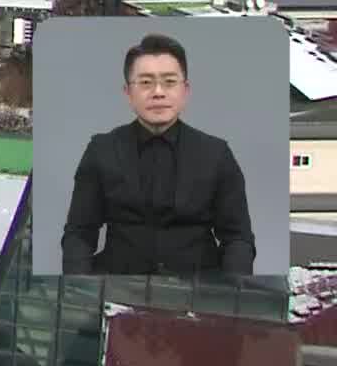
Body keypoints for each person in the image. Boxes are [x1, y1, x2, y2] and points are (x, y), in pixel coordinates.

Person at [61, 33, 255, 275]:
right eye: (145, 82)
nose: (158, 92)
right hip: (118, 292)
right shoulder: (102, 150)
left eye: (169, 82)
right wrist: (79, 290)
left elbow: (238, 239)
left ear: (186, 90)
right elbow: (79, 233)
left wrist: (232, 296)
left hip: (199, 295)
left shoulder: (216, 154)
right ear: (127, 93)